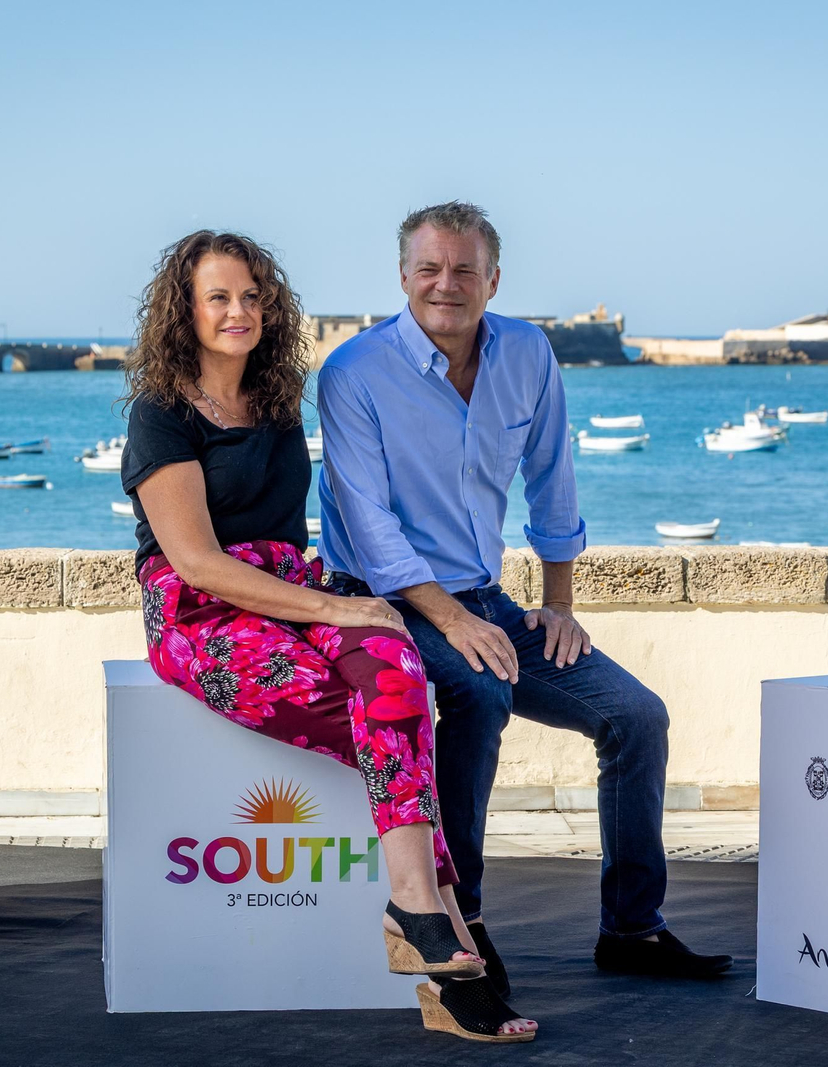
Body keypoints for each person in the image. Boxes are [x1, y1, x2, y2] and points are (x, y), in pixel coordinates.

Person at [122, 230, 536, 1042]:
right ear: (186, 311)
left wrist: (339, 606)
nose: (239, 310)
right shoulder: (160, 413)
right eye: (219, 296)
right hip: (202, 615)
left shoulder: (276, 404)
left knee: (395, 671)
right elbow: (199, 563)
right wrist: (340, 607)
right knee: (385, 725)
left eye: (251, 294)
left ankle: (417, 915)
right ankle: (445, 922)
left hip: (289, 592)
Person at [317, 202, 733, 989]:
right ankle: (457, 923)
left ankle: (633, 926)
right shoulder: (351, 374)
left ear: (494, 278)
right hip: (387, 603)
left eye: (465, 269)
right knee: (477, 691)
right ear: (402, 277)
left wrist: (560, 601)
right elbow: (369, 529)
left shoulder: (528, 352)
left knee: (636, 716)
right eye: (430, 268)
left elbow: (552, 481)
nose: (448, 284)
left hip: (489, 600)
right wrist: (451, 619)